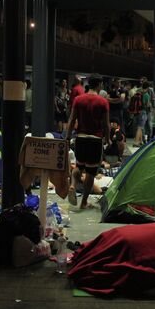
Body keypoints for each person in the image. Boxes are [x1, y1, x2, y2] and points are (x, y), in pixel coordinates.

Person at [65, 75, 110, 209]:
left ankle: (72, 185)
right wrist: (107, 139)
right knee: (90, 172)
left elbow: (72, 119)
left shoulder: (79, 99)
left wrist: (67, 136)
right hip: (95, 139)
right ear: (99, 85)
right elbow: (106, 124)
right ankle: (84, 202)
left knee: (79, 166)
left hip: (81, 137)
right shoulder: (103, 102)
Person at [133, 81, 153, 147]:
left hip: (137, 112)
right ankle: (136, 142)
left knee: (140, 126)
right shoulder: (146, 94)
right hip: (143, 112)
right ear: (147, 87)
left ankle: (140, 141)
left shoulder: (138, 93)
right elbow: (147, 105)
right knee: (140, 127)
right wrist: (150, 105)